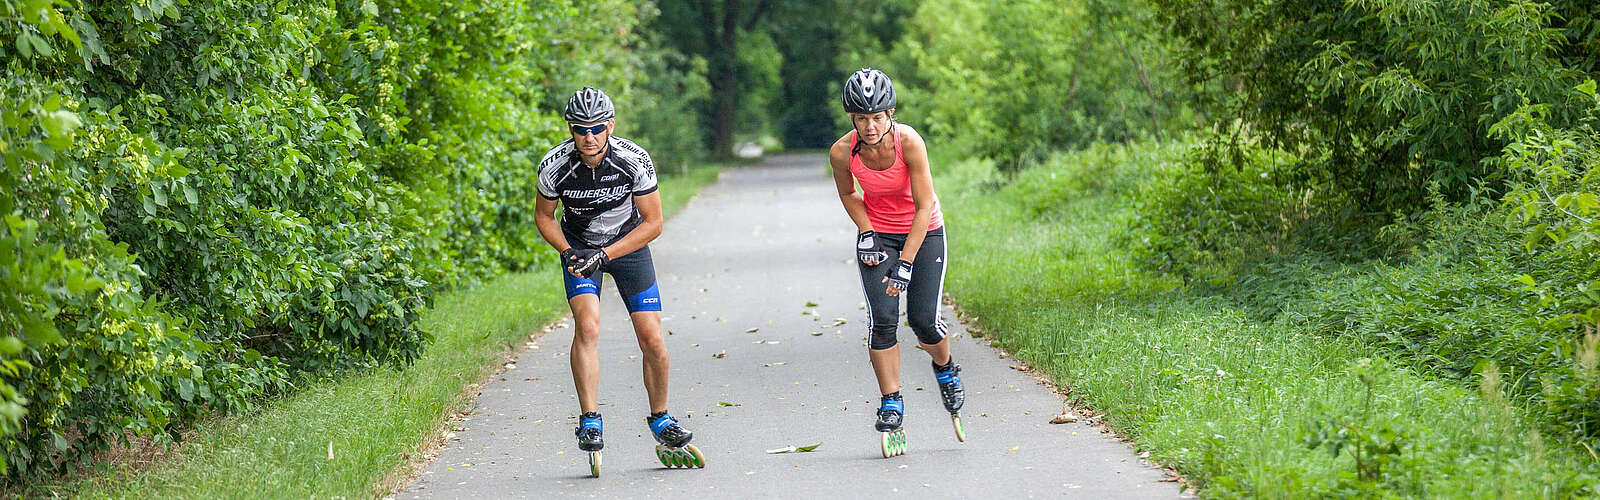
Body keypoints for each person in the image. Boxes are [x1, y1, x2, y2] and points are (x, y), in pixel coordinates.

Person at [534, 86, 702, 473]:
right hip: (578, 246)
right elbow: (544, 216)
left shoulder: (634, 159)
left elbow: (654, 223)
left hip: (627, 246)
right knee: (588, 326)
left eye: (596, 128)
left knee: (653, 338)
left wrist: (607, 253)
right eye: (580, 129)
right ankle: (589, 419)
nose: (588, 136)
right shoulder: (554, 165)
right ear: (570, 129)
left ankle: (660, 416)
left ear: (610, 126)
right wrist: (566, 250)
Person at [827, 68, 966, 455]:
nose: (870, 127)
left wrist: (905, 264)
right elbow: (848, 193)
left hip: (924, 232)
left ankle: (945, 368)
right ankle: (891, 401)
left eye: (876, 117)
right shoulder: (843, 151)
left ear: (890, 114)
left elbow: (924, 207)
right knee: (883, 320)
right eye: (861, 118)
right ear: (851, 118)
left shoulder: (910, 143)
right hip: (879, 235)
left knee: (923, 321)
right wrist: (866, 230)